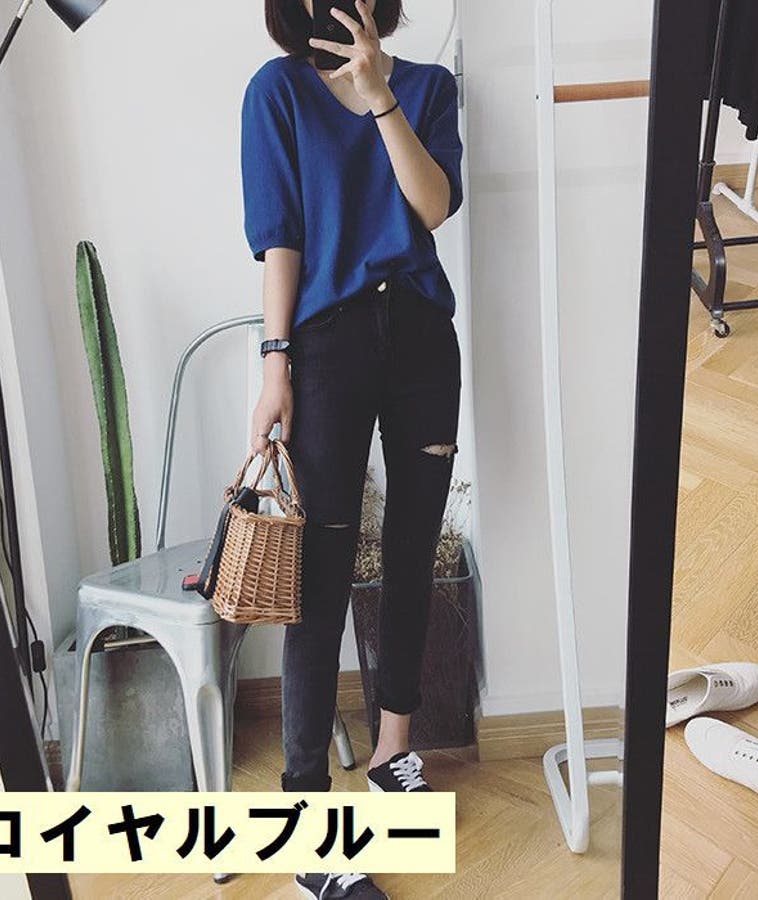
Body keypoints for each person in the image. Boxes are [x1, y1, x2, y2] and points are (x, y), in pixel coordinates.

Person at [241, 2, 463, 895]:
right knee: (319, 576)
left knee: (412, 552)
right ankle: (306, 822)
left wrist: (381, 99)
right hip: (326, 348)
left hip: (423, 341)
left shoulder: (429, 87)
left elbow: (432, 206)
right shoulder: (277, 92)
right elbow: (280, 237)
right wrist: (275, 365)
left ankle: (393, 753)